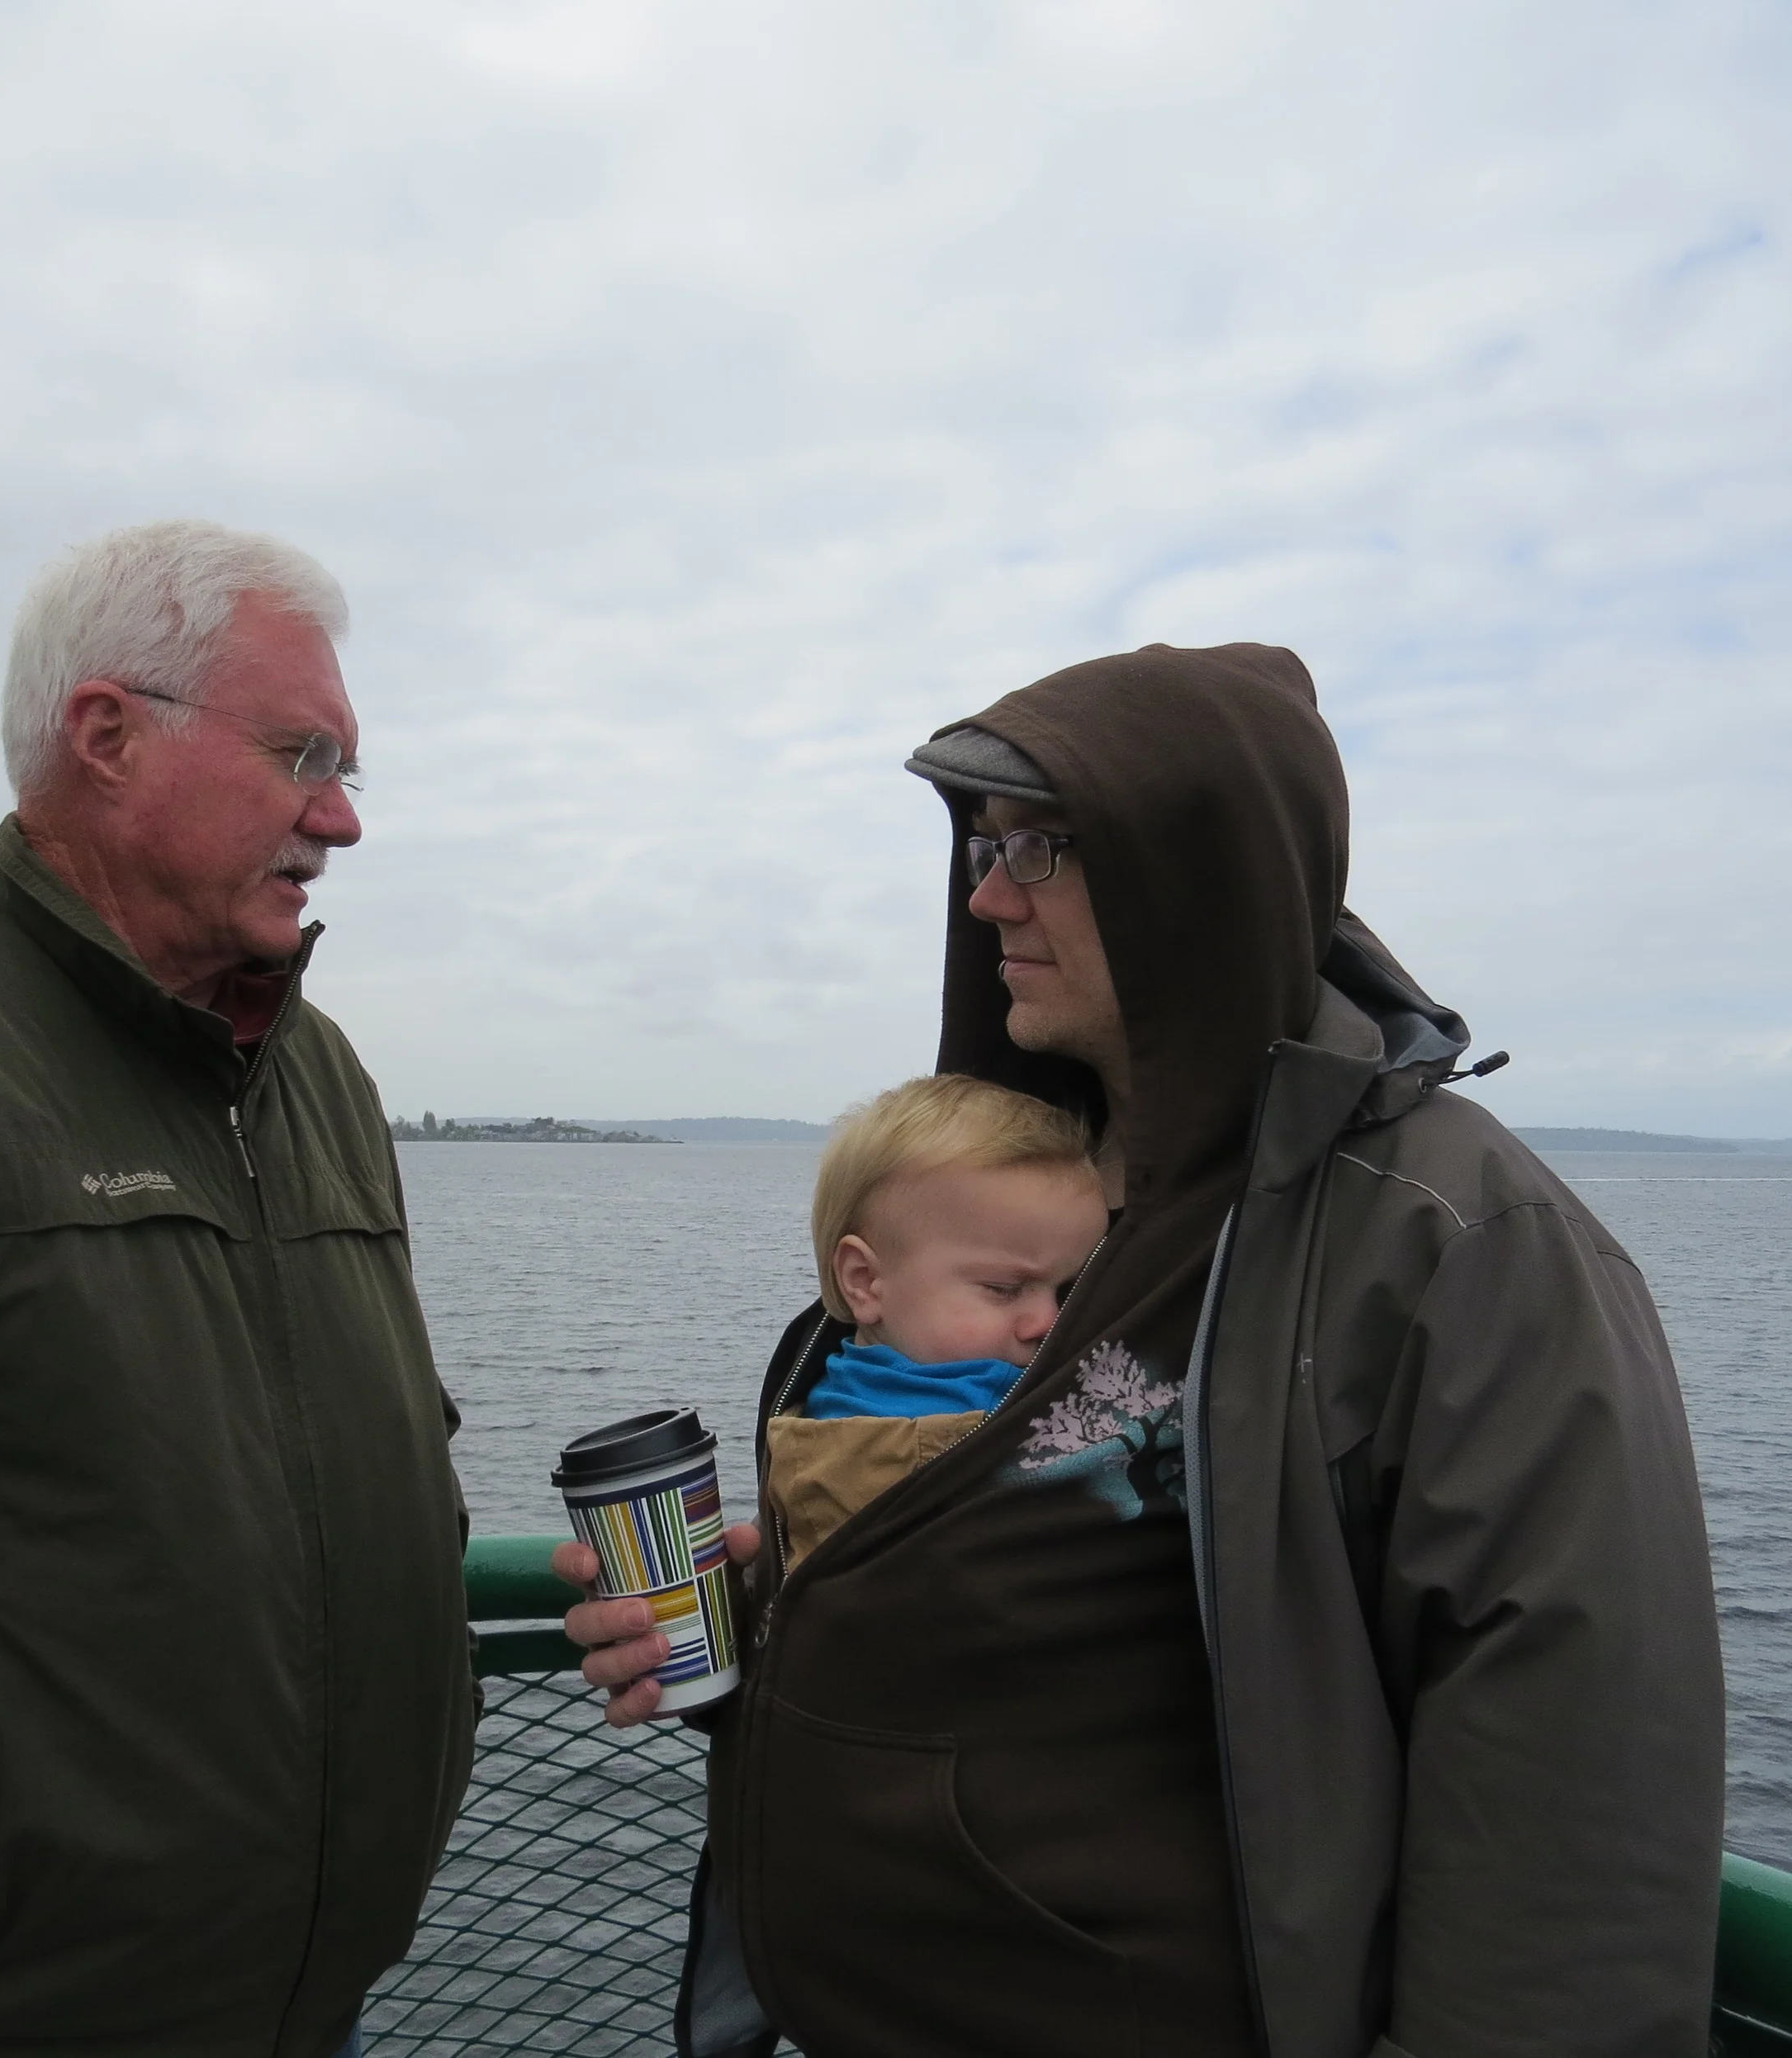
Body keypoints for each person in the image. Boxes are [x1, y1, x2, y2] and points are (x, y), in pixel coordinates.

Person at [562, 642, 1724, 2058]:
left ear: (1196, 877)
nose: (987, 893)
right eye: (985, 849)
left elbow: (1578, 1806)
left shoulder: (1455, 1243)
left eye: (1041, 849)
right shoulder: (1033, 1180)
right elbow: (1064, 1609)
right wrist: (784, 1623)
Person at [0, 521, 476, 2058]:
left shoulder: (318, 1075)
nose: (340, 819)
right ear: (109, 736)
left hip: (306, 2010)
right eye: (303, 753)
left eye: (347, 770)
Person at [770, 1074, 1111, 1574]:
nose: (1049, 1322)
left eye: (1070, 1291)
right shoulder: (951, 1410)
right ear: (865, 1281)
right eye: (1003, 1289)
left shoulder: (824, 1393)